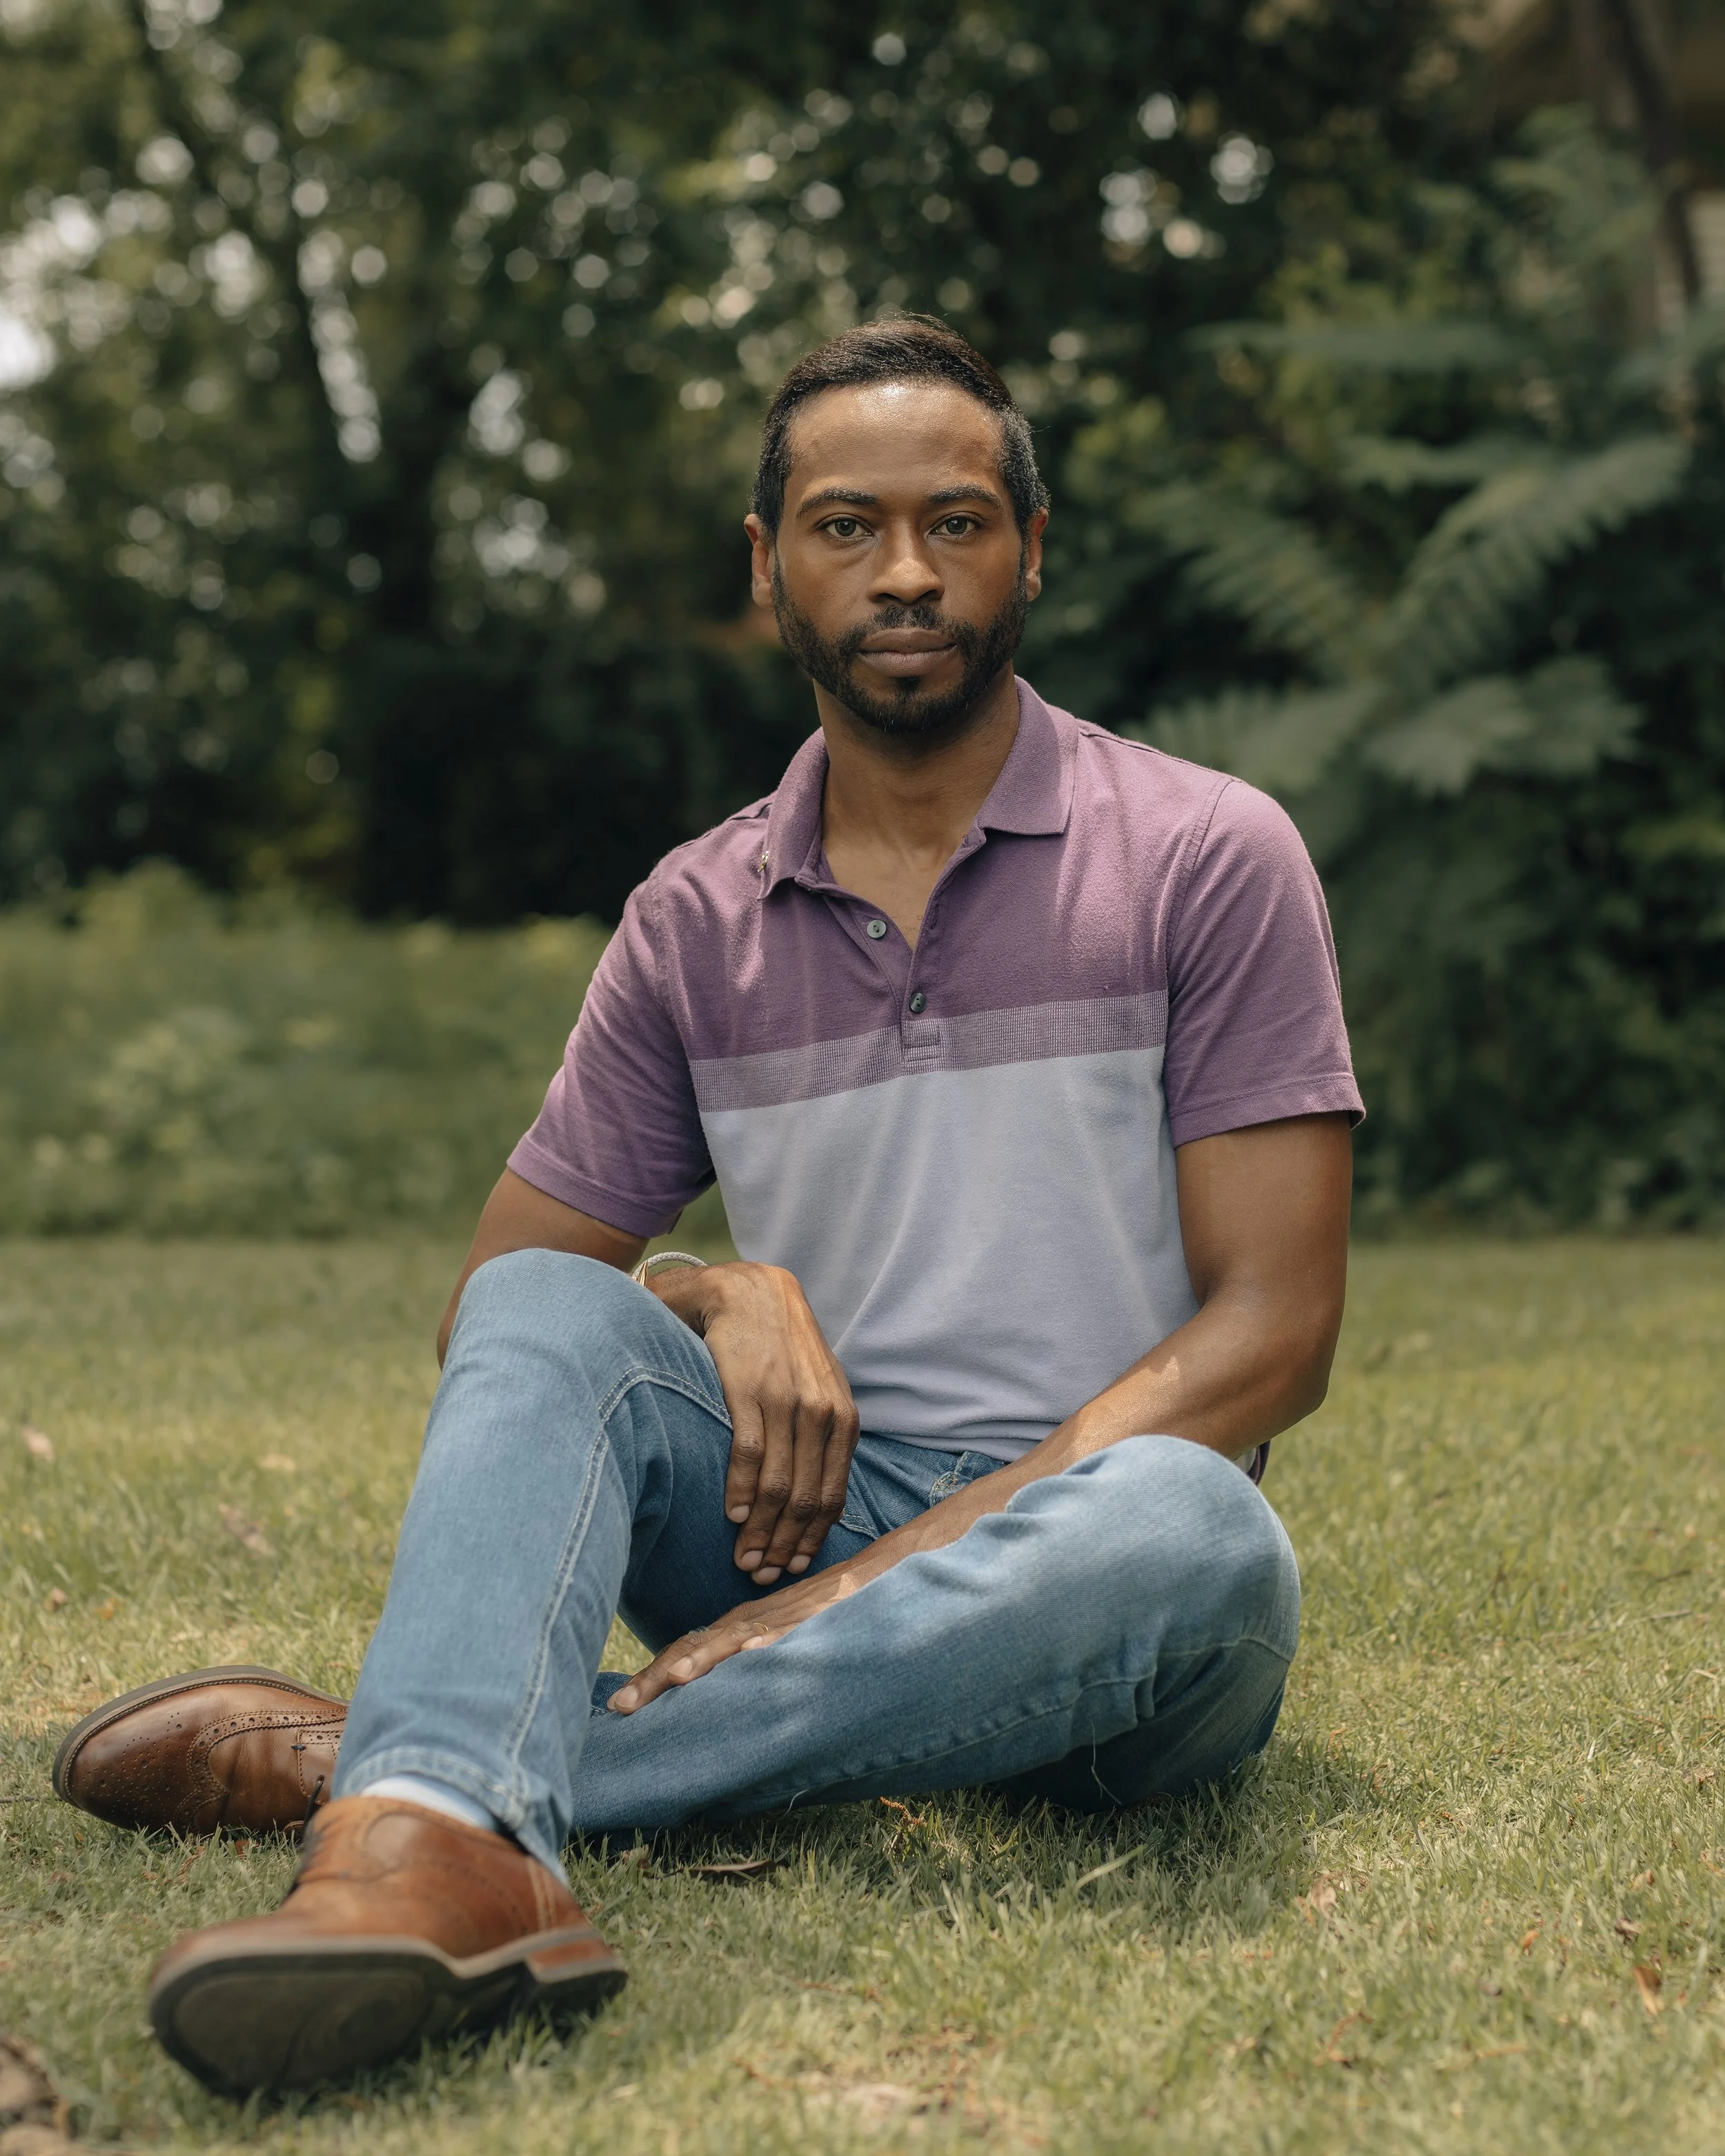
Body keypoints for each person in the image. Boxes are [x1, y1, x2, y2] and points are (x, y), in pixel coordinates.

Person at [52, 316, 1361, 2095]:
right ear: (769, 569)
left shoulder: (1209, 854)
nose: (904, 571)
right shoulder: (695, 916)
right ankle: (443, 1844)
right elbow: (499, 1320)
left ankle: (415, 1780)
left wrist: (879, 1584)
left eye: (957, 522)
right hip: (785, 1519)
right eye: (845, 525)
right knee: (550, 1309)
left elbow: (1275, 1333)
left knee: (1203, 1534)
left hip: (1093, 1591)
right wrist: (713, 1287)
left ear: (1030, 550)